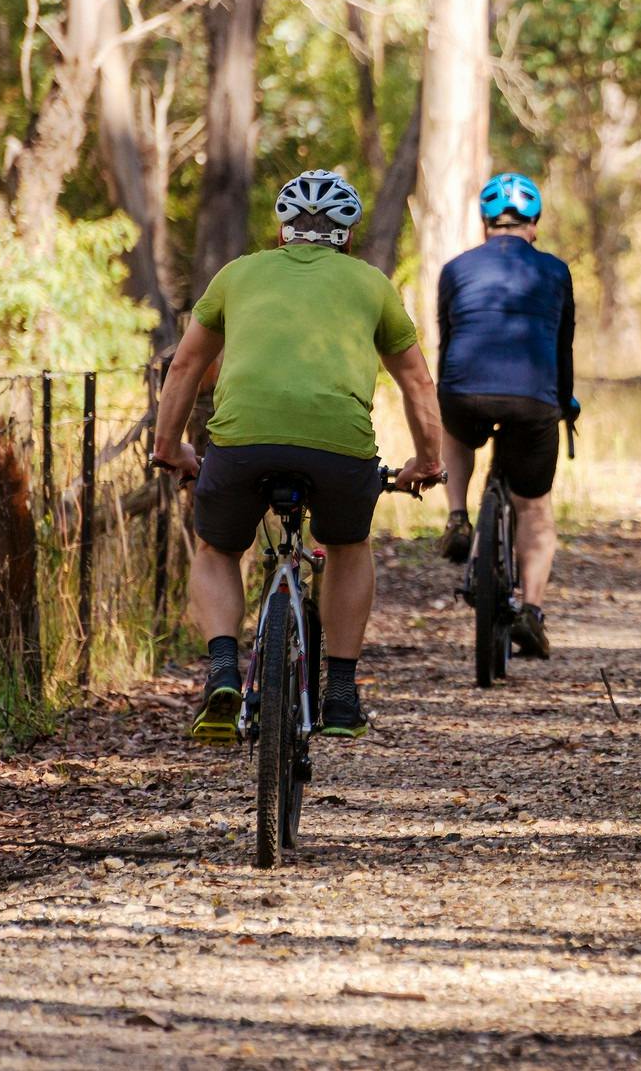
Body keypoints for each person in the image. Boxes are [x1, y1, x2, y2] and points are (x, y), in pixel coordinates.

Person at [154, 170, 445, 742]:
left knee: (217, 548)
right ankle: (339, 693)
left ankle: (221, 671)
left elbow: (186, 366)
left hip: (241, 445)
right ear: (349, 234)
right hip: (339, 450)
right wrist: (428, 461)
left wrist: (169, 449)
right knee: (347, 545)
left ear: (284, 232)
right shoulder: (372, 284)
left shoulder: (237, 275)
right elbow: (418, 384)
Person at [433, 172, 577, 659]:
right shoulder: (555, 271)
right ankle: (532, 613)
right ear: (533, 224)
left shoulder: (455, 269)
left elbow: (447, 340)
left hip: (463, 392)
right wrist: (566, 401)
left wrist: (446, 395)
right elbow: (563, 347)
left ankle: (456, 515)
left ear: (485, 223)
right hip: (534, 399)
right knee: (534, 507)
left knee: (457, 432)